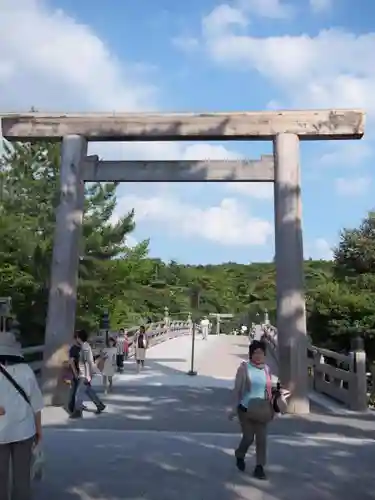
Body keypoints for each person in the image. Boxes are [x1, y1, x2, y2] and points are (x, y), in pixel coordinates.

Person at [0, 331, 44, 500]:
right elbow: (36, 405)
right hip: (25, 431)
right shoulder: (26, 370)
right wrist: (39, 431)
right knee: (22, 477)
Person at [230, 340, 274, 480]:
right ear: (251, 354)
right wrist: (233, 408)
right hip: (246, 409)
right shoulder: (244, 368)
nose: (258, 355)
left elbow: (268, 390)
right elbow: (237, 390)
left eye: (261, 352)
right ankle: (240, 454)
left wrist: (274, 406)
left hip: (262, 408)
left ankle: (259, 467)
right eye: (255, 352)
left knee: (262, 439)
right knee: (248, 437)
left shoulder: (267, 369)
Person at [71, 329, 106, 418]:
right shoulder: (85, 346)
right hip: (84, 373)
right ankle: (100, 405)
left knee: (78, 393)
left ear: (79, 338)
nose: (76, 338)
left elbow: (87, 362)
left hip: (84, 373)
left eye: (77, 336)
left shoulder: (85, 347)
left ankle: (78, 412)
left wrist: (87, 376)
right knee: (89, 391)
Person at [67, 333, 81, 414]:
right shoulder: (73, 349)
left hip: (82, 372)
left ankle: (74, 407)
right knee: (75, 391)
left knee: (79, 390)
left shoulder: (81, 347)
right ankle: (72, 408)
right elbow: (71, 362)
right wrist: (75, 373)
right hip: (76, 372)